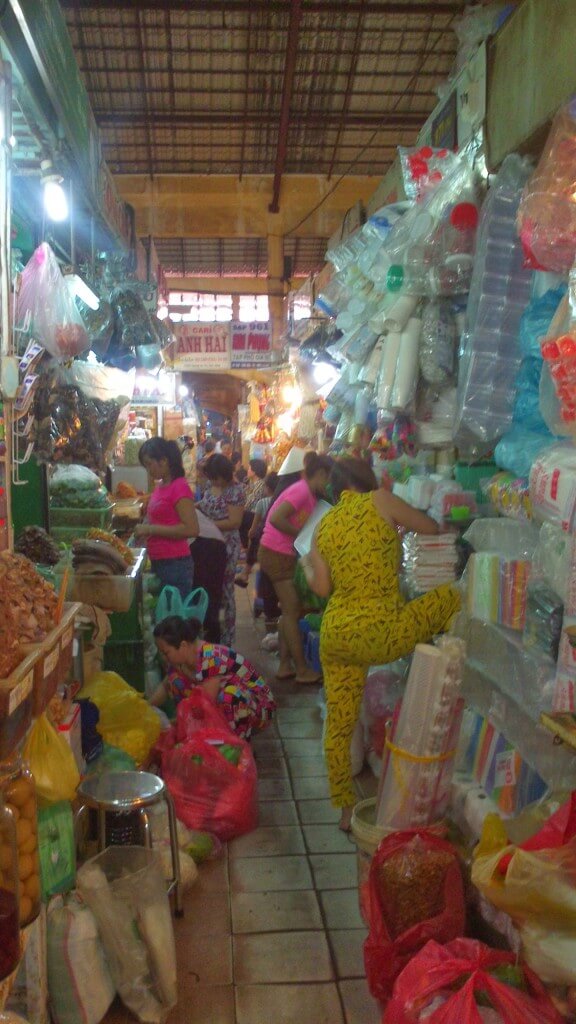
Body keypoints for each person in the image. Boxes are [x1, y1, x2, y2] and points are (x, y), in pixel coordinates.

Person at [303, 458, 461, 832]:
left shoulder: (321, 528)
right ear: (365, 480)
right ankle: (456, 662)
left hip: (338, 634)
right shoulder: (381, 500)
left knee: (339, 727)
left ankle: (345, 810)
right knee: (452, 598)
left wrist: (310, 566)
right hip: (382, 630)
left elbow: (322, 589)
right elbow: (430, 526)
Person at [258, 451, 332, 684]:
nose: (329, 485)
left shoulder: (309, 494)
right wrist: (303, 536)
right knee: (291, 610)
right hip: (276, 552)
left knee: (290, 610)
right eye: (328, 479)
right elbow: (276, 518)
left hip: (281, 553)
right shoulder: (301, 490)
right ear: (320, 473)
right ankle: (301, 669)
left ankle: (284, 665)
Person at [150, 616, 276, 740]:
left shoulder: (211, 657)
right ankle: (205, 737)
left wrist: (177, 722)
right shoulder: (181, 662)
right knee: (175, 679)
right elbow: (165, 686)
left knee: (228, 697)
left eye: (166, 653)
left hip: (259, 709)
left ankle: (238, 747)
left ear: (183, 646)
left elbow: (206, 703)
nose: (163, 657)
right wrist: (146, 706)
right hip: (228, 707)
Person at [135, 437, 198, 596]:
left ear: (163, 461)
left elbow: (191, 529)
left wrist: (150, 529)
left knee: (172, 616)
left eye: (149, 464)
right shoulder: (161, 485)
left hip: (175, 564)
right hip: (159, 561)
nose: (148, 470)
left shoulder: (179, 487)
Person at [196, 453, 245, 645]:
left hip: (226, 545)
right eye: (211, 477)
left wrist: (208, 524)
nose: (213, 481)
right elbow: (206, 503)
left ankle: (228, 637)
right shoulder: (211, 486)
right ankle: (212, 631)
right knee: (211, 588)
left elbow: (234, 521)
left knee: (226, 590)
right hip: (207, 545)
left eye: (216, 477)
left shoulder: (236, 491)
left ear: (225, 474)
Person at [190, 508, 227, 644]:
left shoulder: (175, 494)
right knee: (206, 598)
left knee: (207, 599)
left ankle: (211, 649)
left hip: (208, 545)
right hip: (205, 542)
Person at [236, 470, 277, 590]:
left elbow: (253, 528)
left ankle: (245, 573)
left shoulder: (262, 503)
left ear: (267, 488)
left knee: (254, 537)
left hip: (263, 541)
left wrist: (249, 537)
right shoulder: (284, 501)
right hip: (277, 541)